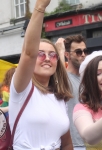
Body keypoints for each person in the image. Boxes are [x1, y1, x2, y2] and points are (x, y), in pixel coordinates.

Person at [8, 0, 73, 149]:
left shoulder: (59, 97)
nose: (48, 59)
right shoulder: (22, 89)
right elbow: (28, 54)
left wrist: (61, 51)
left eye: (52, 55)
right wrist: (40, 7)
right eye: (41, 54)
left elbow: (67, 143)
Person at [55, 35, 89, 150]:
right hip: (73, 144)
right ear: (67, 55)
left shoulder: (89, 78)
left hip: (91, 142)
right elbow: (60, 79)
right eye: (78, 52)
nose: (83, 55)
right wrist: (60, 51)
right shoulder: (63, 77)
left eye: (85, 51)